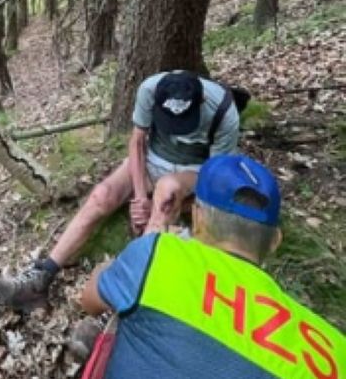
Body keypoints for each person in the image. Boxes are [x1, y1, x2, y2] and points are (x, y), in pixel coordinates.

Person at [0, 70, 241, 310]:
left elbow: (214, 179)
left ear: (202, 103)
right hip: (152, 160)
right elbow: (137, 141)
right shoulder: (150, 90)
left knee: (166, 192)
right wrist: (141, 197)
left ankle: (124, 300)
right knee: (102, 195)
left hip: (193, 170)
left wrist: (170, 204)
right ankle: (40, 278)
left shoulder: (223, 111)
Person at [77, 154, 344, 378]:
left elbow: (89, 300)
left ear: (197, 218)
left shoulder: (158, 253)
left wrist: (122, 262)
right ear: (275, 241)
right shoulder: (334, 352)